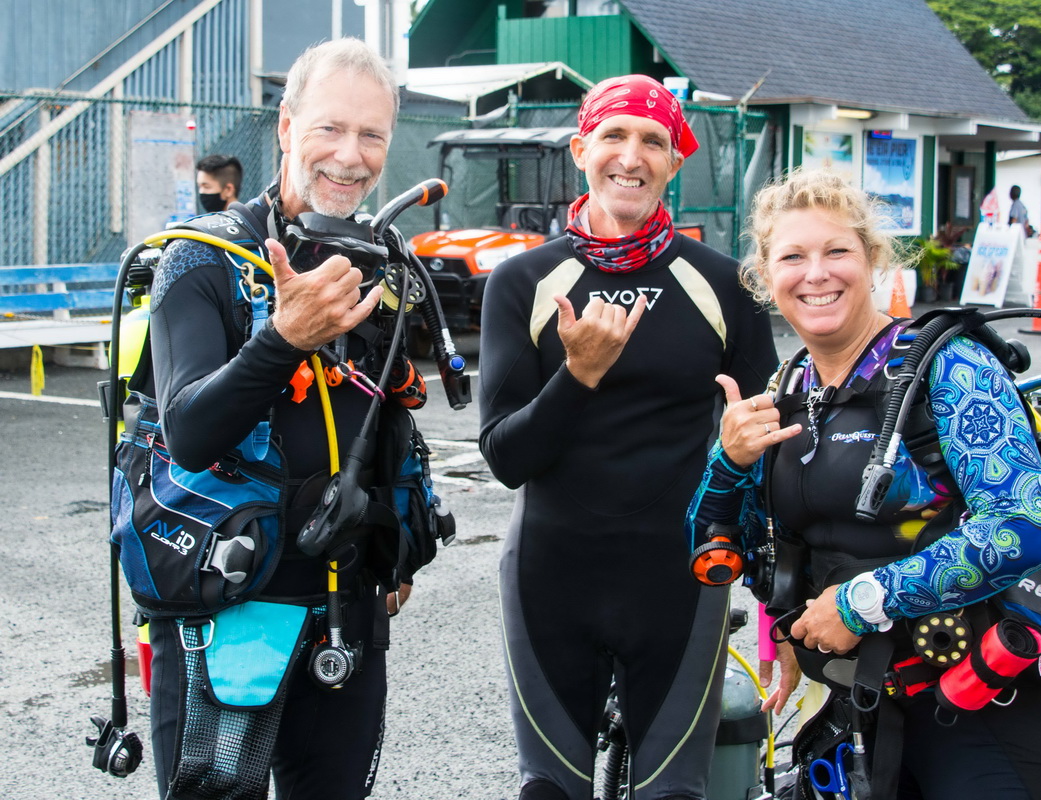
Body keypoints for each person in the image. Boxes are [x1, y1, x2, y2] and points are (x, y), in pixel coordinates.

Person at [686, 168, 1041, 799]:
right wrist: (728, 462)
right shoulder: (787, 392)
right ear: (766, 275)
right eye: (793, 257)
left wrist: (859, 603)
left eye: (837, 251)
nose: (816, 274)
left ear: (873, 261)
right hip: (859, 708)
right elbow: (725, 550)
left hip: (986, 701)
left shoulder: (950, 368)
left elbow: (1024, 528)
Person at [478, 74, 777, 800]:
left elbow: (768, 449)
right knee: (549, 789)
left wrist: (781, 606)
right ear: (582, 148)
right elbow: (506, 457)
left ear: (676, 160)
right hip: (552, 573)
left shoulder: (726, 285)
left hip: (678, 578)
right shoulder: (524, 281)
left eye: (654, 140)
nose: (631, 155)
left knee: (674, 794)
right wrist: (578, 376)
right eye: (614, 135)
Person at [146, 39, 424, 799]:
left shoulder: (378, 263)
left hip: (345, 607)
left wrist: (396, 542)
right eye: (330, 129)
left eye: (372, 135)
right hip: (224, 606)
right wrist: (282, 339)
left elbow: (389, 419)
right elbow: (190, 434)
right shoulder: (201, 260)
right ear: (286, 126)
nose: (350, 155)